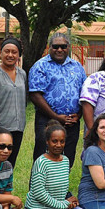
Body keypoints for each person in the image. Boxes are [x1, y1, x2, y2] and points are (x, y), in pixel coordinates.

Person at [24, 121, 89, 209]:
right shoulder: (41, 162)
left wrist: (68, 201)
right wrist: (64, 204)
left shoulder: (65, 161)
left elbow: (62, 188)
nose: (58, 145)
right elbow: (39, 194)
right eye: (54, 141)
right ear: (47, 142)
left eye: (62, 141)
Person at [29, 33, 86, 168]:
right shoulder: (40, 66)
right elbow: (35, 95)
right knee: (42, 159)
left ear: (68, 48)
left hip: (72, 122)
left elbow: (85, 94)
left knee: (67, 159)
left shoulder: (77, 67)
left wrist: (78, 115)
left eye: (63, 46)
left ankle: (61, 188)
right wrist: (56, 117)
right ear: (50, 47)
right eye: (55, 46)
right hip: (47, 120)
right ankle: (37, 189)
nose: (59, 50)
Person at [0, 37, 27, 168]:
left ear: (18, 55)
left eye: (14, 52)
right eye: (6, 51)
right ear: (1, 53)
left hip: (18, 127)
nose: (10, 55)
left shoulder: (22, 74)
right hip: (1, 127)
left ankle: (6, 188)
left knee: (10, 164)